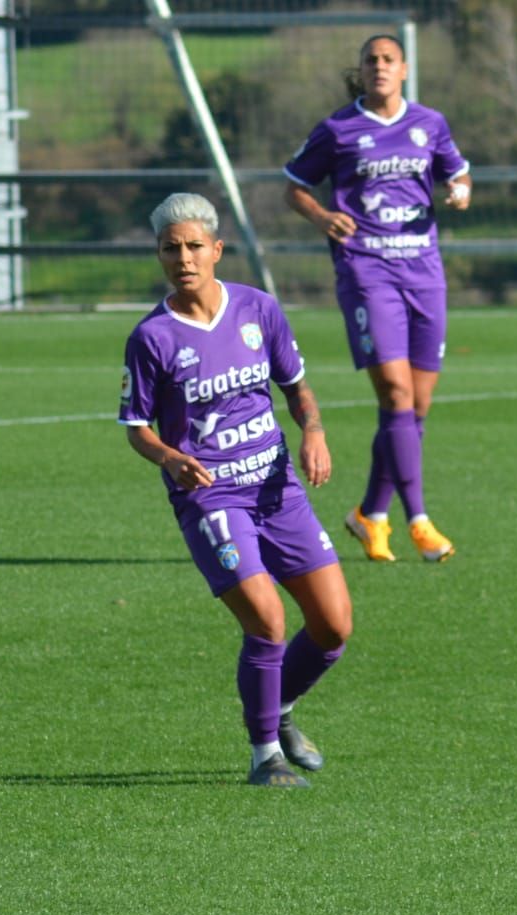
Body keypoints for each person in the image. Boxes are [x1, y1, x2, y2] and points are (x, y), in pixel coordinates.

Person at [118, 193, 354, 787]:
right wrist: (171, 457)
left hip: (277, 487)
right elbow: (135, 428)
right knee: (269, 622)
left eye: (195, 245)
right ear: (160, 255)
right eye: (171, 248)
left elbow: (296, 387)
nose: (184, 257)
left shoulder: (257, 309)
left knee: (333, 627)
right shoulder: (152, 337)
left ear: (217, 250)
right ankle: (264, 754)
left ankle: (281, 709)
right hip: (212, 499)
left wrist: (315, 433)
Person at [284, 33, 472, 562]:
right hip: (367, 269)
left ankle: (370, 514)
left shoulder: (429, 124)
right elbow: (294, 185)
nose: (380, 67)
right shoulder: (339, 129)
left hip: (425, 271)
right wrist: (322, 216)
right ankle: (418, 522)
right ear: (362, 71)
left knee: (416, 406)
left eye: (389, 59)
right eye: (372, 60)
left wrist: (459, 191)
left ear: (404, 69)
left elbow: (458, 173)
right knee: (394, 394)